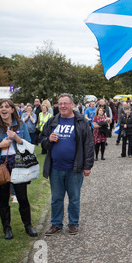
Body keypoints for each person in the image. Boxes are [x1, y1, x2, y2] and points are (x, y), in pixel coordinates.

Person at [0, 99, 38, 239]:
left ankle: (28, 225)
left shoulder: (20, 124)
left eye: (7, 107)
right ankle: (7, 228)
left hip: (18, 163)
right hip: (0, 165)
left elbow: (29, 145)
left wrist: (17, 138)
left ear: (12, 109)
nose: (4, 109)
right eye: (1, 107)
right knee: (3, 198)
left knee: (22, 197)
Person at [40, 93, 94, 235]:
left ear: (72, 105)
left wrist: (88, 166)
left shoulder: (81, 122)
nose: (63, 106)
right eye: (60, 103)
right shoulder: (53, 121)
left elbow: (89, 145)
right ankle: (56, 224)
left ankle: (73, 223)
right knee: (56, 198)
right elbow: (42, 141)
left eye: (66, 103)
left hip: (74, 168)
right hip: (56, 168)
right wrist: (48, 140)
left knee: (74, 198)